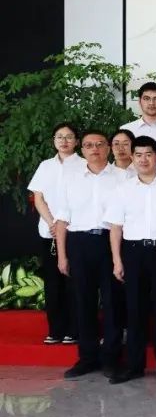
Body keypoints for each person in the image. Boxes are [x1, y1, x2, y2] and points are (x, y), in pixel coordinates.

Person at [105, 136, 156, 384]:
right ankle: (134, 366)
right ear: (132, 158)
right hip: (133, 253)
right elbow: (115, 228)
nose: (143, 159)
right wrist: (117, 261)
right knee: (134, 310)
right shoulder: (123, 189)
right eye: (138, 155)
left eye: (148, 154)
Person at [53, 130, 129, 379]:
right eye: (88, 145)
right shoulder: (71, 179)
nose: (94, 149)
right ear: (82, 149)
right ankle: (87, 358)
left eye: (99, 144)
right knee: (82, 301)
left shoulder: (123, 177)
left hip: (110, 243)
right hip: (79, 243)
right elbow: (62, 220)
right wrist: (62, 255)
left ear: (108, 148)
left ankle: (111, 358)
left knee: (113, 302)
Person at [28, 122, 84, 345]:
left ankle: (75, 329)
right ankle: (55, 330)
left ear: (77, 141)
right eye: (59, 137)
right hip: (48, 232)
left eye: (69, 137)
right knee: (53, 283)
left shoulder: (84, 165)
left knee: (74, 282)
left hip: (75, 230)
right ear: (54, 141)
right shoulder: (45, 166)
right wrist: (52, 223)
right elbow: (38, 198)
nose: (64, 141)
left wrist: (63, 224)